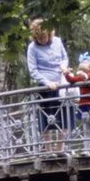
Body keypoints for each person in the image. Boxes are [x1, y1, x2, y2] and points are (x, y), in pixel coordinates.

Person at [25, 17, 69, 152]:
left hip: (61, 84)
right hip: (45, 87)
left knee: (65, 117)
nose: (42, 40)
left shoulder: (57, 41)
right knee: (46, 119)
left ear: (49, 33)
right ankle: (49, 150)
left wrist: (63, 67)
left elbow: (64, 58)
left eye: (44, 37)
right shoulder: (32, 48)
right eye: (39, 38)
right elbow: (33, 70)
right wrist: (47, 82)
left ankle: (60, 148)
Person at [63, 53, 90, 154]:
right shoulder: (80, 78)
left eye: (85, 71)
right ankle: (87, 149)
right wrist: (66, 73)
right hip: (84, 106)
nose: (82, 73)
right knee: (86, 129)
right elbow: (71, 80)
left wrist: (86, 76)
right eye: (81, 71)